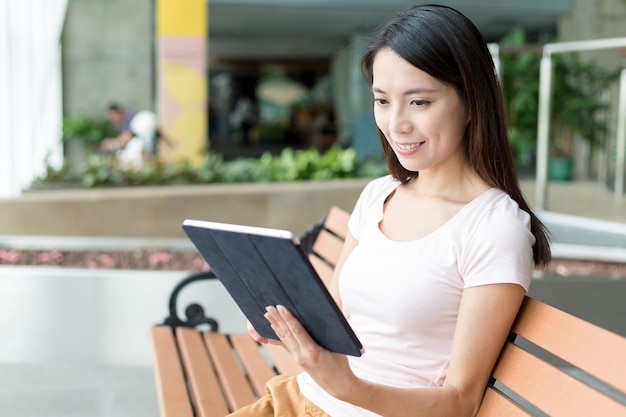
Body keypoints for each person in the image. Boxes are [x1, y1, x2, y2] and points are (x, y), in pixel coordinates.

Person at [231, 4, 551, 417]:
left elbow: (461, 401)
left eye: (419, 102)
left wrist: (349, 387)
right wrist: (287, 326)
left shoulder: (493, 227)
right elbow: (334, 316)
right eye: (382, 100)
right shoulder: (379, 195)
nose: (395, 123)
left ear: (472, 102)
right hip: (298, 399)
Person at [100, 103, 174, 167]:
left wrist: (112, 144)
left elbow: (127, 136)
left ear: (117, 111)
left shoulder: (128, 118)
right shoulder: (134, 118)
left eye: (112, 115)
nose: (113, 119)